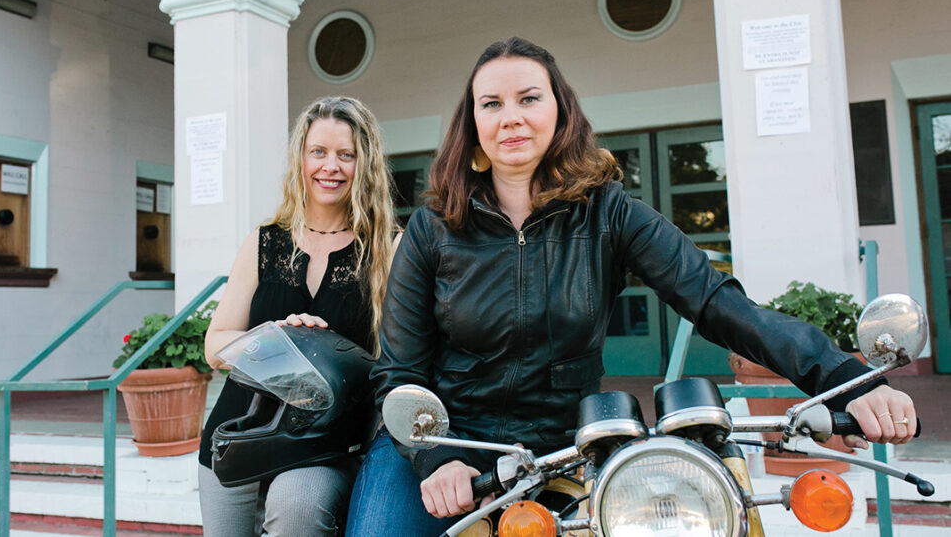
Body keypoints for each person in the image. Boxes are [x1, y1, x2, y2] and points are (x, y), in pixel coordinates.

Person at [345, 37, 918, 535]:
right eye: (491, 104)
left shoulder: (609, 214)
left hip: (558, 446)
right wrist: (436, 458)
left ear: (560, 112)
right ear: (472, 126)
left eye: (528, 98)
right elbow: (399, 371)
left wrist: (845, 380)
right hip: (444, 445)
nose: (510, 117)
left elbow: (716, 302)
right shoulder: (431, 231)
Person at [198, 96, 396, 537]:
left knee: (298, 505)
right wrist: (276, 341)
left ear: (365, 163)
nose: (331, 166)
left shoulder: (389, 249)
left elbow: (398, 359)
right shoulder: (264, 242)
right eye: (318, 152)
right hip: (240, 432)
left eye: (347, 154)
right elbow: (215, 344)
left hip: (324, 445)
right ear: (300, 159)